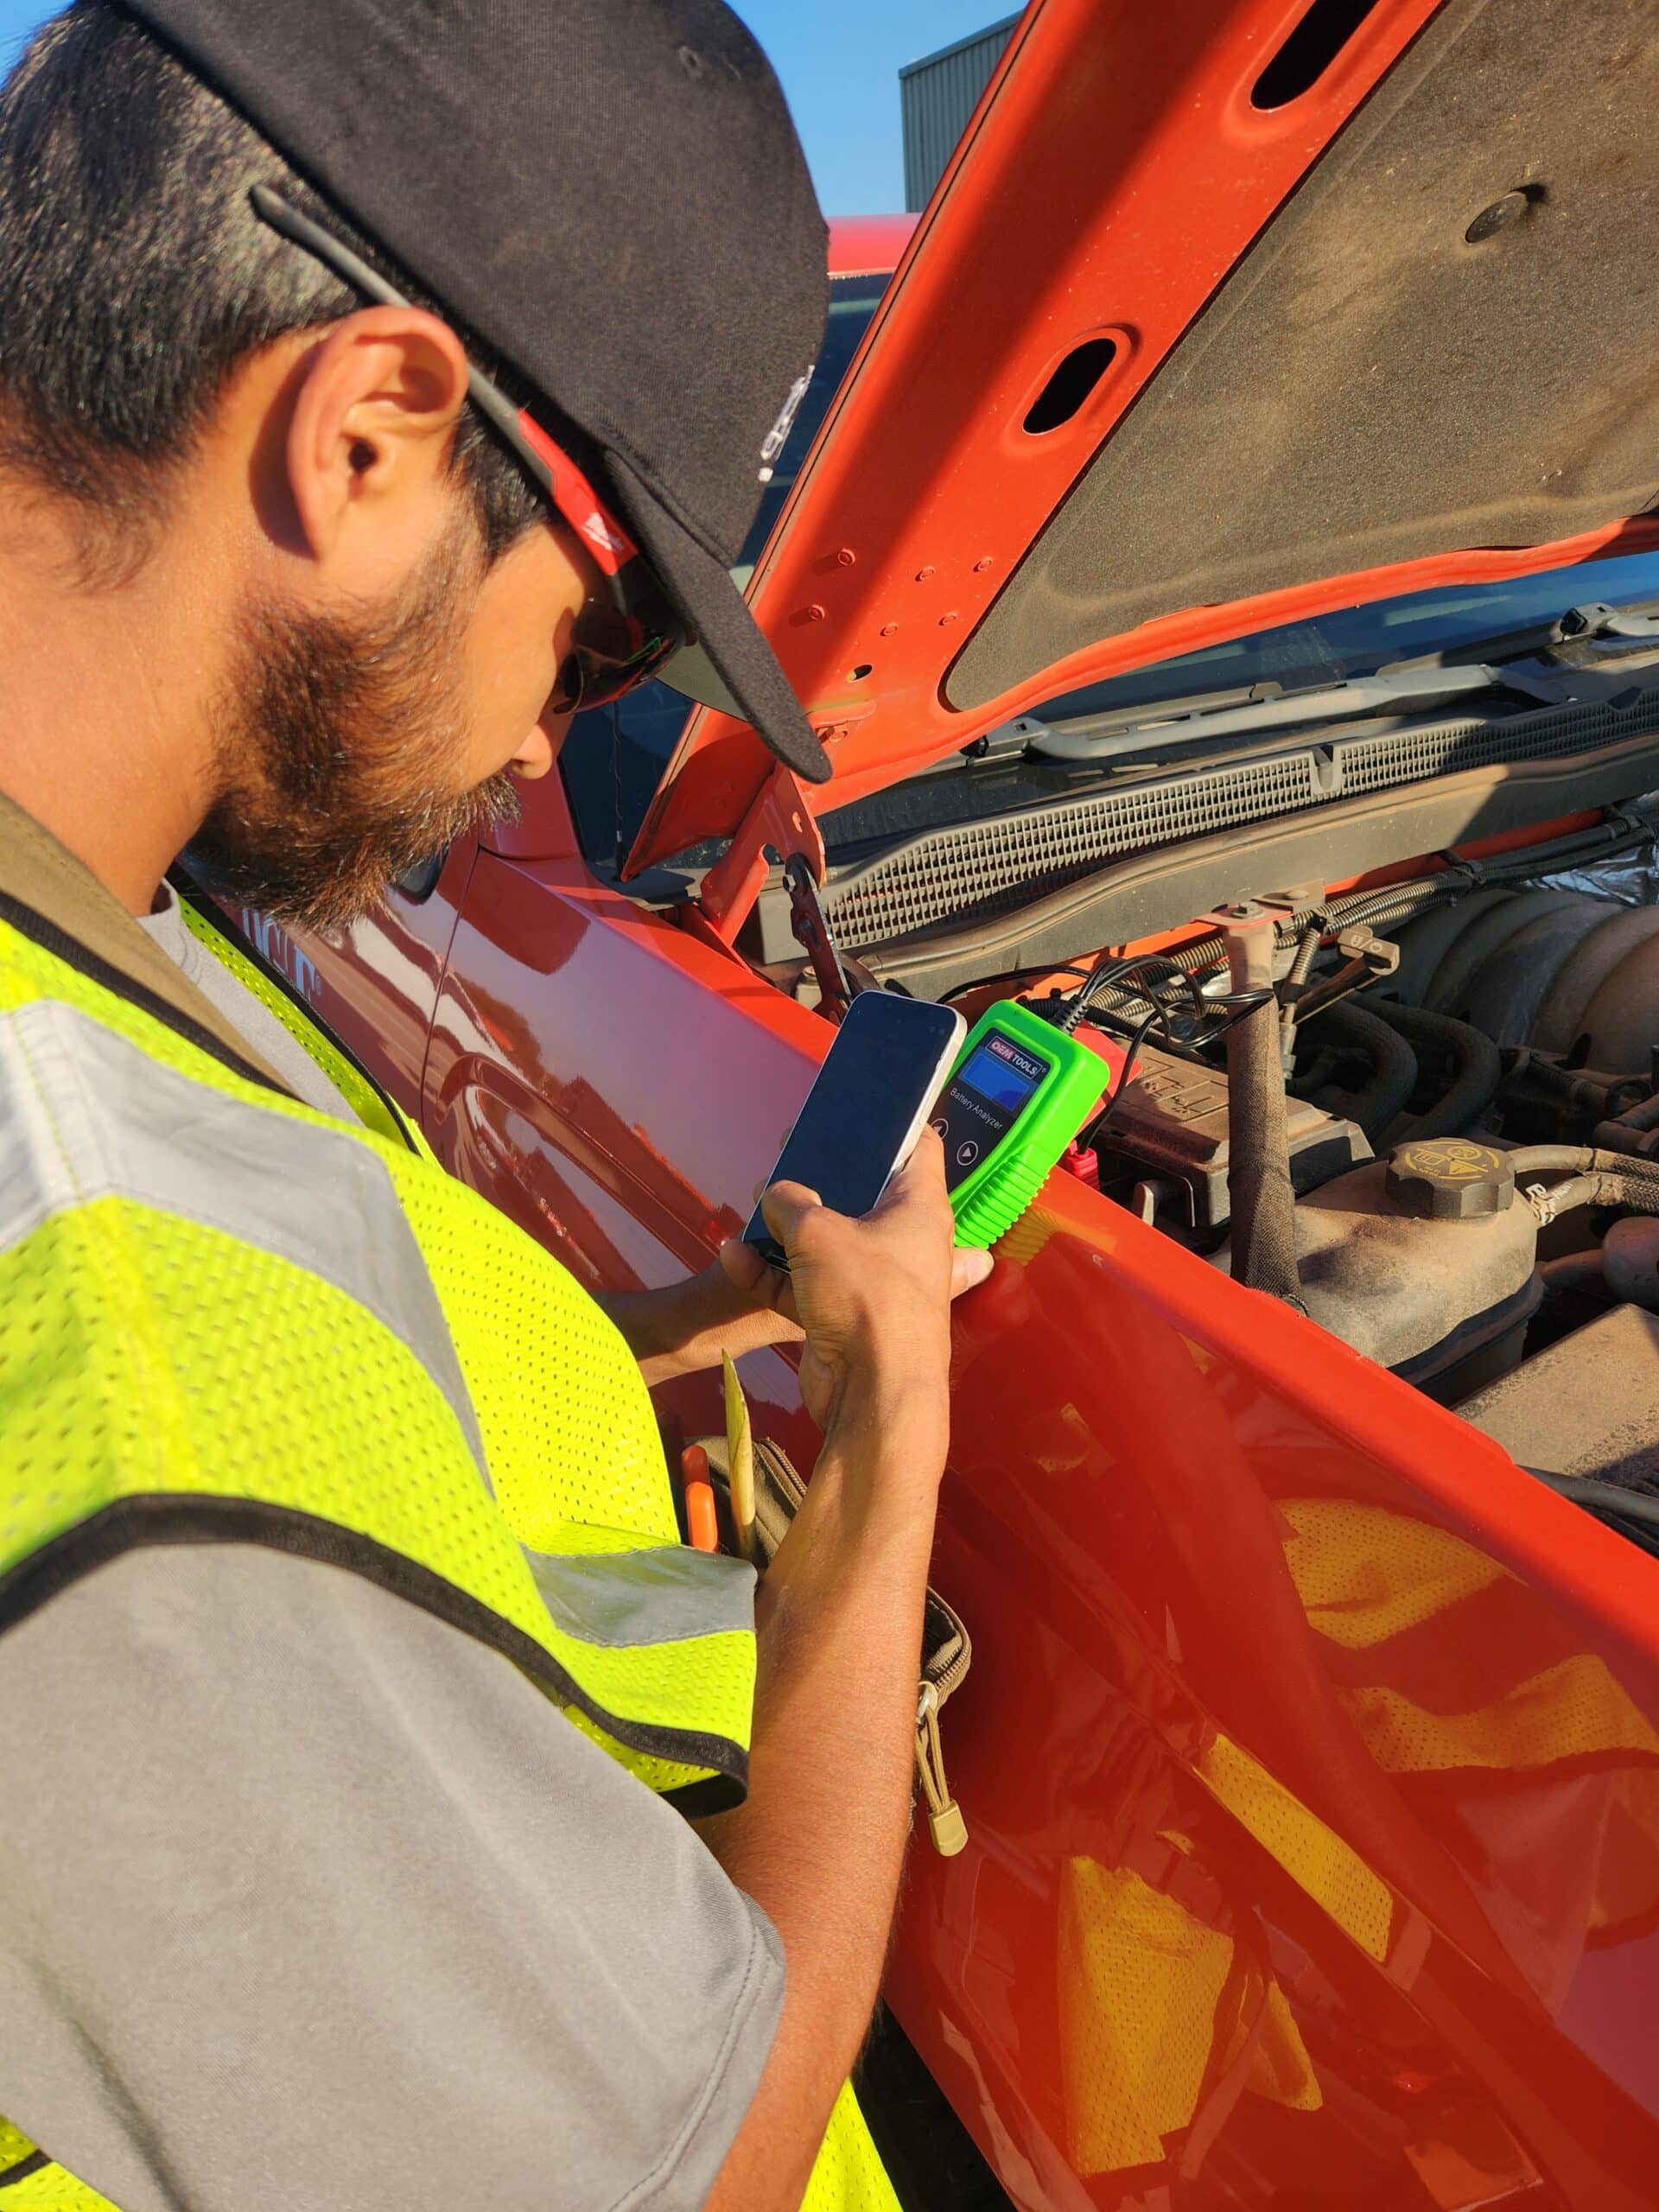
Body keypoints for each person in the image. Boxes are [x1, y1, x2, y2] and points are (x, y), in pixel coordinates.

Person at [0, 4, 991, 2209]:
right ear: (364, 432)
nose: (552, 739)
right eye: (605, 633)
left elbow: (317, 1369)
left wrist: (672, 1327)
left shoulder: (92, 912)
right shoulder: (123, 1386)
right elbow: (700, 2168)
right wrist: (881, 1490)